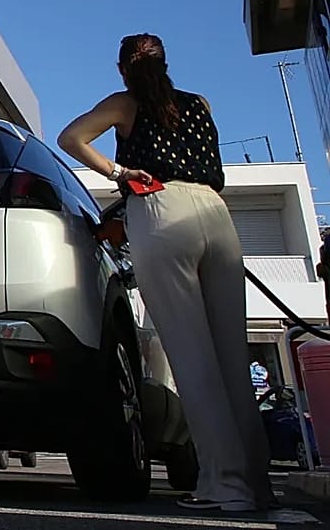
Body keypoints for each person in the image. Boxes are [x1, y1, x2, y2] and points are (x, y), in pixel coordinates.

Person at [58, 33, 272, 513]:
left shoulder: (124, 103)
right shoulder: (200, 103)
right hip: (215, 212)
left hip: (159, 206)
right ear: (165, 62)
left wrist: (117, 173)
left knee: (192, 358)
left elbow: (70, 138)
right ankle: (257, 482)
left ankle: (226, 484)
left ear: (121, 70)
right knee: (231, 356)